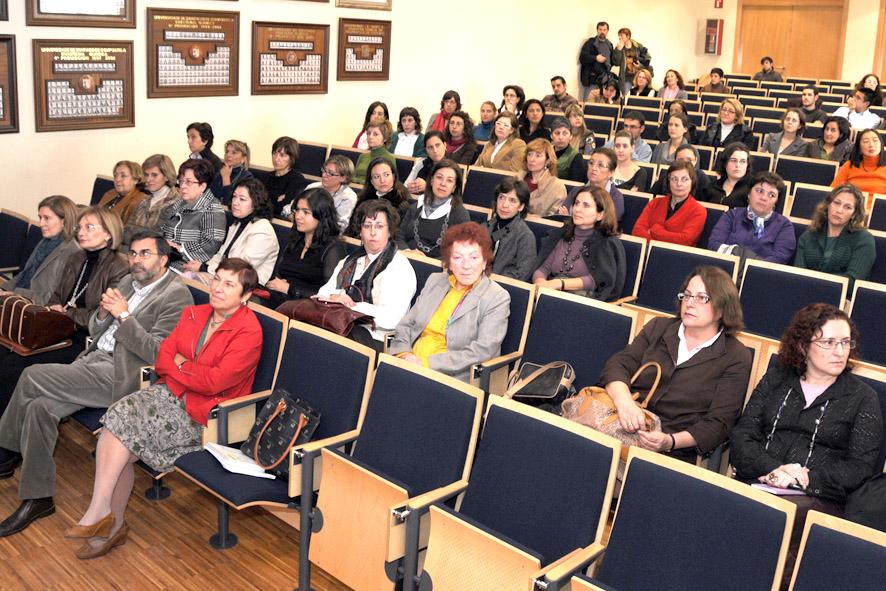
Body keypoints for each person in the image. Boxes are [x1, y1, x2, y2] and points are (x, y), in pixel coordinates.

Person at [0, 230, 193, 538]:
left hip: (121, 374)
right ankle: (38, 497)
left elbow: (158, 355)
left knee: (31, 375)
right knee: (38, 407)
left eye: (145, 254)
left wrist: (125, 316)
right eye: (133, 254)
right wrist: (104, 313)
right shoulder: (129, 282)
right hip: (92, 360)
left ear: (164, 259)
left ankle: (5, 447)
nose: (136, 260)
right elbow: (95, 327)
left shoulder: (176, 296)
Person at [67, 258, 262, 559]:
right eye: (217, 279)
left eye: (229, 284)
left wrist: (181, 366)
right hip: (168, 395)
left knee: (118, 440)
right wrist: (185, 368)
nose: (218, 288)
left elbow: (215, 382)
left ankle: (105, 521)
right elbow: (163, 359)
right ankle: (104, 516)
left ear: (246, 295)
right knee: (116, 427)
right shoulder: (194, 314)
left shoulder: (249, 332)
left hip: (204, 415)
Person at [730, 304, 882, 579]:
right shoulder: (776, 379)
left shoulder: (862, 397)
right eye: (828, 342)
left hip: (819, 499)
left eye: (846, 342)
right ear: (802, 346)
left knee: (770, 522)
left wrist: (805, 479)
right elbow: (742, 436)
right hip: (759, 480)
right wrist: (777, 471)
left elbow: (861, 467)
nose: (840, 351)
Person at [601, 266, 753, 463]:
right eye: (687, 295)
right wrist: (625, 403)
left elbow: (719, 423)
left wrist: (669, 441)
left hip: (671, 450)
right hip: (619, 422)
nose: (689, 303)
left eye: (701, 298)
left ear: (723, 307)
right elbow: (618, 365)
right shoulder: (658, 327)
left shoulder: (736, 356)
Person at [0, 208, 129, 416]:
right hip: (57, 328)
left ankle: (7, 437)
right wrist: (55, 311)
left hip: (84, 340)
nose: (81, 232)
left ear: (108, 233)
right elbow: (56, 296)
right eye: (79, 227)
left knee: (15, 365)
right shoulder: (77, 258)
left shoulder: (119, 268)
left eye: (89, 227)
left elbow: (101, 317)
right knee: (5, 350)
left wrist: (67, 314)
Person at [389, 222, 510, 383]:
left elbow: (482, 350)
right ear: (449, 263)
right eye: (458, 258)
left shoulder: (496, 297)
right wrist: (404, 354)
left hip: (452, 376)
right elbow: (407, 324)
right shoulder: (435, 281)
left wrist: (426, 363)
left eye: (473, 257)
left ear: (484, 262)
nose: (466, 265)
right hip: (409, 361)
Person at [317, 200, 416, 351]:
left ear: (390, 231)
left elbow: (391, 319)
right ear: (360, 231)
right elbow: (323, 293)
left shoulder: (399, 267)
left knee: (337, 340)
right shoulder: (350, 261)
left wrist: (350, 306)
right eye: (367, 226)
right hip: (342, 325)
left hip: (379, 338)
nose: (373, 232)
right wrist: (337, 297)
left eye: (379, 226)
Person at [533, 186, 626, 301]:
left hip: (582, 303)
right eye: (576, 203)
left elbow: (597, 280)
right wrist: (540, 283)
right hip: (549, 295)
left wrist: (559, 284)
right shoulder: (561, 234)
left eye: (586, 205)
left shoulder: (607, 243)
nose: (577, 209)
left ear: (600, 215)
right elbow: (543, 268)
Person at [265, 188, 345, 308]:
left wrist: (290, 289)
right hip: (280, 298)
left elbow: (330, 296)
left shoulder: (333, 248)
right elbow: (278, 275)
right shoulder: (296, 239)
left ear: (321, 215)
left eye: (306, 212)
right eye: (297, 210)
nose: (298, 216)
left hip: (307, 308)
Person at [191, 178, 279, 285]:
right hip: (225, 278)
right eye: (234, 197)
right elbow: (221, 255)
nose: (235, 202)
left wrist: (204, 268)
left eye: (242, 199)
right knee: (186, 276)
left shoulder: (263, 231)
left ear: (256, 203)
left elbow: (241, 267)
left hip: (245, 286)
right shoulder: (238, 223)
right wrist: (205, 267)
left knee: (191, 280)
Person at [1, 195, 80, 306]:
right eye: (40, 218)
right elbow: (24, 274)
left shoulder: (72, 252)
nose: (41, 224)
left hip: (34, 309)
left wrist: (14, 293)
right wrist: (3, 289)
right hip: (20, 299)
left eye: (46, 218)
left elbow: (50, 297)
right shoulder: (45, 241)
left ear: (64, 221)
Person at [795, 184, 876, 291]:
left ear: (853, 214)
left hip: (839, 298)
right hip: (805, 294)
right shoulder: (808, 236)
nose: (839, 210)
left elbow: (853, 280)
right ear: (828, 205)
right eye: (836, 203)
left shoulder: (864, 240)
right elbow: (798, 274)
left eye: (848, 207)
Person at [707, 171, 796, 264]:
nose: (764, 198)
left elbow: (778, 260)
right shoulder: (731, 216)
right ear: (749, 194)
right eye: (759, 191)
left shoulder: (784, 226)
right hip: (724, 270)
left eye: (771, 195)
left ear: (776, 203)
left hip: (759, 276)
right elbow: (714, 245)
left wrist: (738, 254)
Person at [160, 159, 226, 271]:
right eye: (181, 181)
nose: (183, 186)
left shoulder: (213, 209)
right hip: (165, 260)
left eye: (189, 182)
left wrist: (179, 249)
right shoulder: (179, 203)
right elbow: (163, 230)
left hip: (185, 267)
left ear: (202, 186)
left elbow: (210, 246)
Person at [397, 159, 470, 259]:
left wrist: (426, 262)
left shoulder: (460, 215)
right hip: (405, 260)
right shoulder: (415, 207)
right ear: (431, 181)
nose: (443, 183)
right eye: (439, 177)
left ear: (454, 188)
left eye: (449, 180)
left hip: (437, 268)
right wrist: (408, 252)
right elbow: (400, 236)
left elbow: (459, 252)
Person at [632, 160, 707, 246]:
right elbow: (637, 232)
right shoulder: (654, 203)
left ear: (692, 182)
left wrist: (655, 231)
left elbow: (685, 240)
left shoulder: (699, 211)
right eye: (674, 179)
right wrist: (668, 238)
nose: (679, 184)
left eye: (685, 179)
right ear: (668, 182)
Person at [485, 178, 536, 281]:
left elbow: (522, 274)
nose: (504, 205)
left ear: (521, 206)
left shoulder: (525, 236)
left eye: (512, 200)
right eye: (501, 198)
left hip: (501, 289)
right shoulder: (485, 227)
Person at [560, 147, 625, 223]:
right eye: (591, 163)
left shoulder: (615, 197)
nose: (594, 168)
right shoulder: (576, 190)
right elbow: (562, 216)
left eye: (600, 165)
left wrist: (573, 219)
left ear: (611, 172)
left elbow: (608, 224)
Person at [125, 154, 180, 241]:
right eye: (146, 175)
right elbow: (127, 230)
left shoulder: (176, 203)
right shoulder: (144, 200)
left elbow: (158, 236)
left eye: (154, 175)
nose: (148, 179)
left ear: (166, 176)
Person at [296, 155, 357, 232]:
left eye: (331, 174)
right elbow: (290, 208)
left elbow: (340, 225)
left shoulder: (348, 197)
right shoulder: (312, 187)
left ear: (343, 178)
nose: (324, 175)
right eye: (324, 170)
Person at [350, 158, 412, 233]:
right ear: (371, 181)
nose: (382, 180)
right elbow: (353, 226)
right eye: (376, 177)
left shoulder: (402, 203)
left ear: (393, 176)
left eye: (386, 175)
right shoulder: (364, 199)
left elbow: (398, 235)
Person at [262, 136, 309, 219]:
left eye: (282, 155)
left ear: (292, 158)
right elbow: (256, 204)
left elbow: (282, 209)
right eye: (274, 153)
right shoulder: (266, 177)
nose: (276, 159)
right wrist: (276, 197)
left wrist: (268, 198)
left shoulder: (297, 180)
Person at [649, 145, 713, 203]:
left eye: (689, 160)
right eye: (681, 160)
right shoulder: (667, 175)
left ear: (695, 161)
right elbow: (652, 195)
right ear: (675, 161)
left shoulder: (701, 177)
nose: (685, 164)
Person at [830, 129, 886, 194]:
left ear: (881, 144)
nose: (871, 145)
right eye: (866, 141)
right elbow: (833, 190)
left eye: (875, 140)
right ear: (859, 148)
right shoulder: (849, 165)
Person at [521, 139, 567, 216]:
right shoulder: (518, 179)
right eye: (529, 154)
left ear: (547, 161)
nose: (532, 159)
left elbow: (552, 219)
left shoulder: (557, 187)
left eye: (538, 156)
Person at [707, 142, 755, 208]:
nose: (738, 165)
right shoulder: (713, 186)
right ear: (725, 163)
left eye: (743, 161)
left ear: (747, 165)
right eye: (733, 160)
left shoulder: (752, 189)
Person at [209, 139, 253, 207]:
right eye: (227, 152)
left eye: (234, 153)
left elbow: (230, 203)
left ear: (243, 158)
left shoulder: (247, 177)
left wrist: (226, 178)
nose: (228, 155)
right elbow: (210, 196)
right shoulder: (220, 171)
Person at [579, 21, 613, 100]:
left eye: (604, 30)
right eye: (600, 29)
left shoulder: (609, 44)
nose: (602, 32)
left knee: (600, 107)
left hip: (605, 81)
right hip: (592, 80)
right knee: (587, 104)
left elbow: (611, 62)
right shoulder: (590, 42)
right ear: (597, 30)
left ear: (607, 31)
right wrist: (595, 58)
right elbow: (582, 58)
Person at [612, 28, 651, 95]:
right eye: (619, 36)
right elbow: (616, 63)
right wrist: (618, 50)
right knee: (627, 96)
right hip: (626, 78)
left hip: (639, 76)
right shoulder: (619, 47)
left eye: (621, 36)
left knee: (639, 96)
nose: (619, 38)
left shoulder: (638, 46)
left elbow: (648, 59)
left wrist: (640, 66)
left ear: (628, 36)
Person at [550, 117, 587, 183]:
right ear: (551, 136)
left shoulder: (576, 157)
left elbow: (575, 185)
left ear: (571, 136)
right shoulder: (546, 153)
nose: (560, 137)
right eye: (557, 133)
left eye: (565, 133)